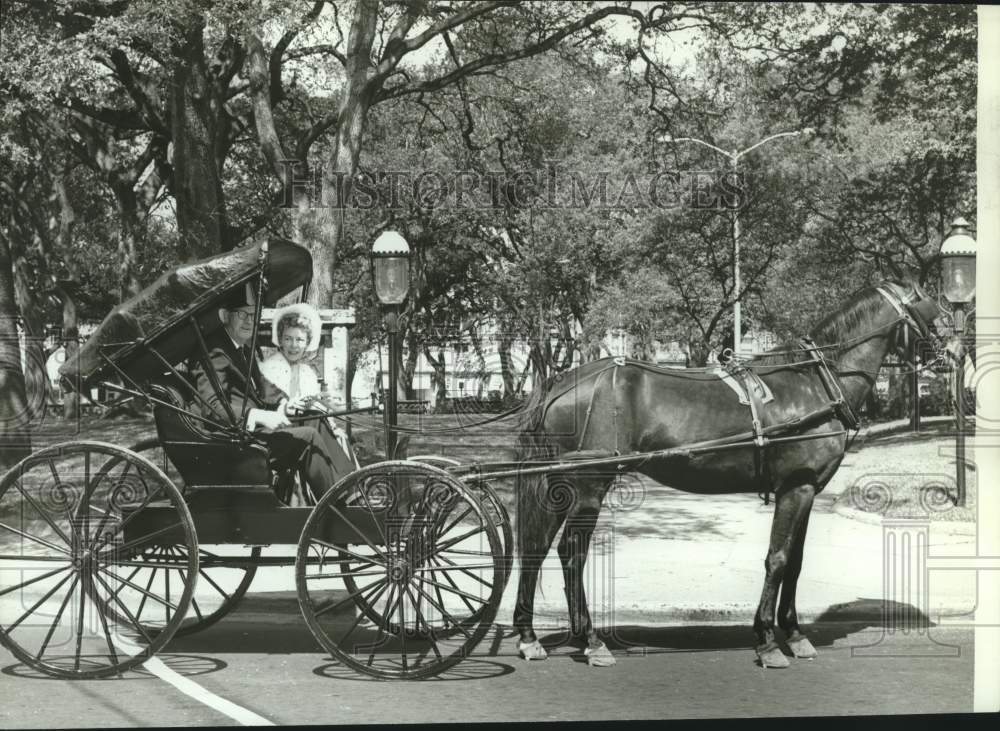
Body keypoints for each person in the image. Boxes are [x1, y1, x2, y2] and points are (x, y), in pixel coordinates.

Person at [190, 285, 354, 500]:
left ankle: (351, 489)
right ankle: (335, 504)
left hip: (249, 432)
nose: (249, 321)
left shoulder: (240, 348)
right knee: (308, 437)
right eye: (242, 314)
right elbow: (212, 407)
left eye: (253, 314)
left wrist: (286, 405)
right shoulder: (214, 351)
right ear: (224, 315)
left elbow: (264, 387)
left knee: (314, 419)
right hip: (235, 439)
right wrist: (259, 415)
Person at [260, 303, 357, 465]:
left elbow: (319, 409)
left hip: (309, 427)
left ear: (307, 343)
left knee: (339, 437)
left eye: (299, 340)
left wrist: (330, 418)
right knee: (318, 424)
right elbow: (269, 406)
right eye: (288, 339)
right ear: (281, 341)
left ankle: (348, 484)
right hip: (280, 430)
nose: (293, 345)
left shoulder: (307, 373)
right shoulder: (268, 369)